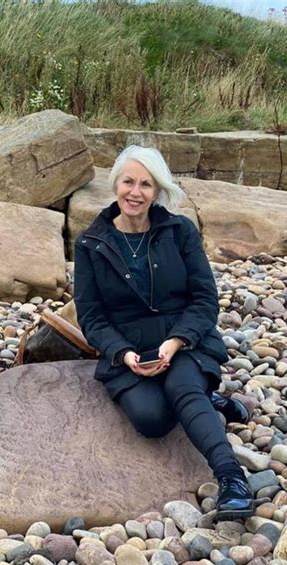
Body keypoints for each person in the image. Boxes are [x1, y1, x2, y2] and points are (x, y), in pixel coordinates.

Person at [74, 145, 254, 520]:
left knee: (180, 386)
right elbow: (91, 318)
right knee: (151, 420)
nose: (135, 192)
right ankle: (209, 403)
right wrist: (123, 353)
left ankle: (232, 478)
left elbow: (205, 299)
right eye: (128, 182)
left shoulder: (180, 231)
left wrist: (175, 343)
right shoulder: (91, 243)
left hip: (183, 338)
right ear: (115, 185)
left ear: (157, 191)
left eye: (146, 184)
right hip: (129, 349)